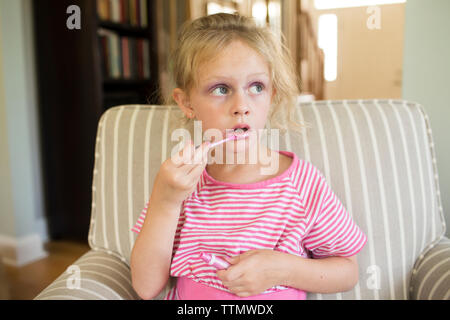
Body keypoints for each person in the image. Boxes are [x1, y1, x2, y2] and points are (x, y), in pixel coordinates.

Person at [130, 13, 367, 300]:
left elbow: (348, 272)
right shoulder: (181, 185)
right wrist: (165, 200)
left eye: (257, 87)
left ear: (271, 96)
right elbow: (145, 287)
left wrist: (283, 269)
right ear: (187, 103)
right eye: (221, 89)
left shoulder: (302, 185)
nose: (241, 106)